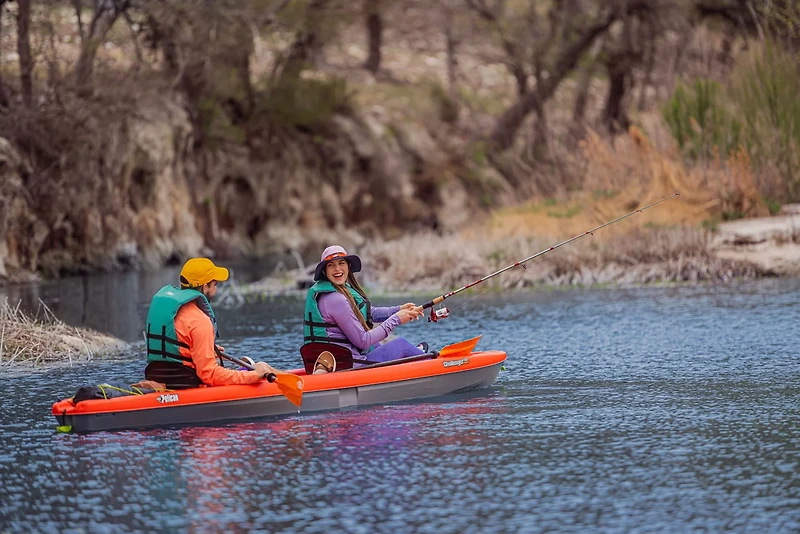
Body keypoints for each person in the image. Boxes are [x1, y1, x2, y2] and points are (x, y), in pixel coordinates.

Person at [144, 258, 277, 388]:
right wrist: (254, 376)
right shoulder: (200, 321)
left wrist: (206, 350)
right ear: (204, 286)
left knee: (259, 366)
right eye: (215, 285)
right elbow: (209, 375)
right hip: (187, 384)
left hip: (159, 376)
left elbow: (177, 350)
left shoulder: (171, 312)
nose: (216, 290)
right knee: (260, 367)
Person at [303, 245, 427, 370]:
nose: (337, 269)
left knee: (377, 345)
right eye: (331, 265)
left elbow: (368, 313)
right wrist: (397, 319)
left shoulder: (337, 291)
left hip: (344, 361)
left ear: (348, 266)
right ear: (324, 271)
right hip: (351, 365)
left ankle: (415, 355)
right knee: (401, 345)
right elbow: (363, 341)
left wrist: (399, 309)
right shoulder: (335, 300)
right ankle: (424, 359)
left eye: (341, 263)